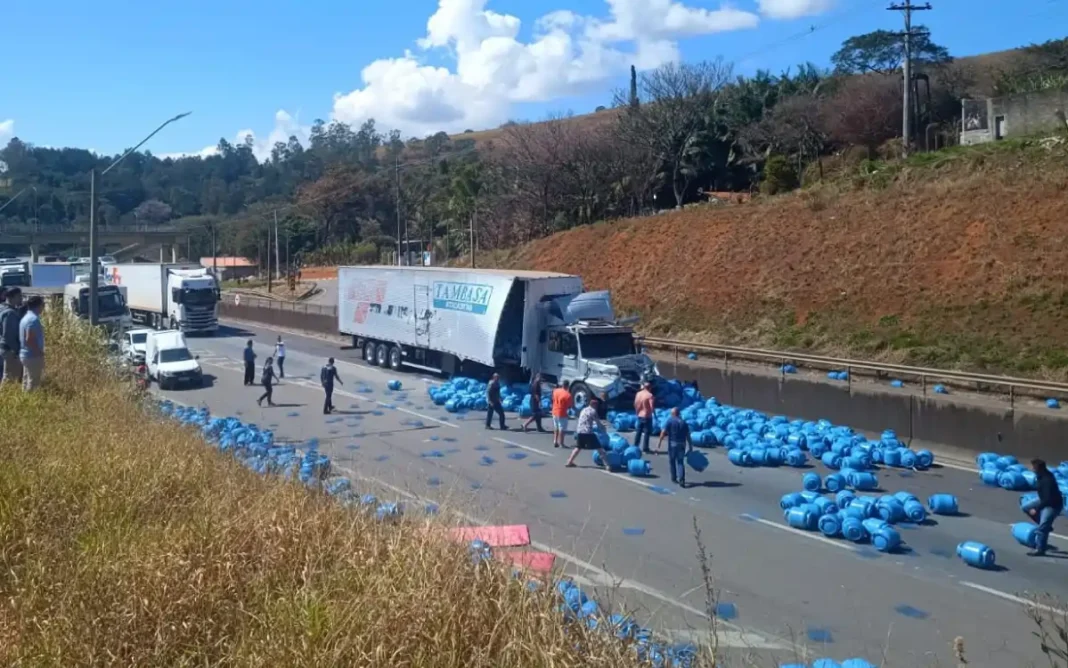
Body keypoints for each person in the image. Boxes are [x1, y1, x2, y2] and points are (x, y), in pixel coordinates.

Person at [1023, 459, 1064, 557]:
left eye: (1033, 467)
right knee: (1025, 507)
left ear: (1038, 469)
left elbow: (1048, 499)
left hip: (1053, 505)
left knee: (1041, 529)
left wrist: (1036, 509)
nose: (1031, 469)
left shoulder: (1047, 480)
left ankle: (1040, 549)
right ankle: (1046, 527)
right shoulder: (1041, 475)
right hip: (1044, 500)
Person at [566, 397, 609, 469]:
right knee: (599, 448)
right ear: (595, 405)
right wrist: (603, 428)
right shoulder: (593, 411)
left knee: (578, 447)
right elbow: (598, 423)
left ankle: (569, 461)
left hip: (580, 431)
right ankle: (607, 465)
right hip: (588, 432)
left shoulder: (583, 410)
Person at [656, 407, 693, 488]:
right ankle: (682, 479)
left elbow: (663, 432)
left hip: (673, 444)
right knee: (680, 462)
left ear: (673, 414)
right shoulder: (684, 423)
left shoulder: (670, 421)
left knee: (672, 461)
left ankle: (673, 478)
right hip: (682, 444)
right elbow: (688, 436)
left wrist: (659, 443)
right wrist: (690, 446)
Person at [19, 295, 46, 392]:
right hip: (32, 356)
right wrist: (38, 352)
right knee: (34, 382)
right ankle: (32, 403)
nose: (43, 307)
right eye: (43, 304)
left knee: (26, 380)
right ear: (39, 305)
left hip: (25, 354)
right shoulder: (33, 319)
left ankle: (25, 402)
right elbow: (29, 339)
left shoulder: (25, 317)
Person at [0, 287, 24, 385]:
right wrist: (16, 351)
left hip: (5, 349)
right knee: (9, 379)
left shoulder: (3, 308)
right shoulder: (10, 313)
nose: (21, 299)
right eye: (19, 296)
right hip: (10, 350)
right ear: (12, 297)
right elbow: (8, 335)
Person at [633, 381, 655, 454]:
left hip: (639, 415)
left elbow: (635, 403)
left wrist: (637, 411)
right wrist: (653, 413)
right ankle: (645, 448)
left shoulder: (638, 394)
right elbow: (651, 407)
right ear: (650, 388)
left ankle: (635, 446)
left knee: (638, 431)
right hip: (647, 416)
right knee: (646, 432)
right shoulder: (650, 395)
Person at [551, 380, 573, 448]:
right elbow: (570, 405)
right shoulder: (568, 395)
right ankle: (561, 443)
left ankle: (555, 441)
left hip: (554, 411)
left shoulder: (555, 391)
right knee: (562, 428)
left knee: (556, 427)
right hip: (562, 413)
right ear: (568, 386)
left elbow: (553, 399)